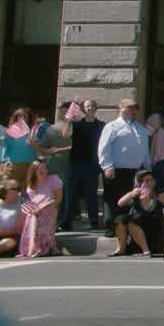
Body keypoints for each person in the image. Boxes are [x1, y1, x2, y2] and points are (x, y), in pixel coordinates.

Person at [97, 99, 151, 239]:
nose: (133, 110)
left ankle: (127, 229)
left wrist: (147, 166)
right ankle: (111, 229)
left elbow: (144, 149)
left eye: (135, 108)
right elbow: (104, 148)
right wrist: (107, 166)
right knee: (112, 200)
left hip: (134, 171)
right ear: (121, 108)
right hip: (116, 169)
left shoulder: (141, 129)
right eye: (130, 107)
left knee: (131, 200)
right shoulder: (112, 126)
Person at [61, 100, 105, 233]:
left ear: (96, 108)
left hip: (92, 164)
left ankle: (94, 222)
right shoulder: (76, 124)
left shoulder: (101, 125)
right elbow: (65, 135)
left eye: (92, 106)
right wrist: (68, 120)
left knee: (91, 193)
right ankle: (66, 223)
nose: (89, 108)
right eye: (87, 106)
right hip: (74, 163)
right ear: (83, 109)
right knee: (70, 194)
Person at [112, 170, 164, 257]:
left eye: (152, 180)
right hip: (136, 227)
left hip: (154, 227)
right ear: (140, 182)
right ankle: (122, 248)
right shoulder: (135, 194)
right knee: (120, 220)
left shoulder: (158, 193)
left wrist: (153, 194)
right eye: (147, 181)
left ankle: (147, 249)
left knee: (135, 221)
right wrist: (131, 194)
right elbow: (120, 203)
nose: (150, 182)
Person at [17, 160, 63, 257]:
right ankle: (35, 247)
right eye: (39, 169)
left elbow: (58, 199)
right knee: (31, 218)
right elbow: (32, 202)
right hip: (36, 210)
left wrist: (44, 206)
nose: (42, 171)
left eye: (44, 168)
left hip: (51, 208)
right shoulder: (31, 184)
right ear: (34, 171)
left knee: (40, 220)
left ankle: (45, 248)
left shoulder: (54, 179)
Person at [36, 111, 73, 194]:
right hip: (55, 168)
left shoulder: (79, 128)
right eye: (63, 111)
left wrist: (58, 150)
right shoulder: (52, 129)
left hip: (74, 167)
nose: (65, 114)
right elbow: (42, 146)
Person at [0, 108, 37, 186]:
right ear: (16, 118)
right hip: (13, 165)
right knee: (11, 190)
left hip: (30, 165)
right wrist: (2, 166)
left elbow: (40, 148)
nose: (22, 118)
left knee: (28, 191)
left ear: (29, 118)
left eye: (24, 116)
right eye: (19, 116)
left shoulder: (35, 130)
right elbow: (4, 146)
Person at [143, 113, 164, 192]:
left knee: (157, 184)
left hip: (157, 161)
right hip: (154, 161)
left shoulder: (160, 131)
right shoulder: (151, 131)